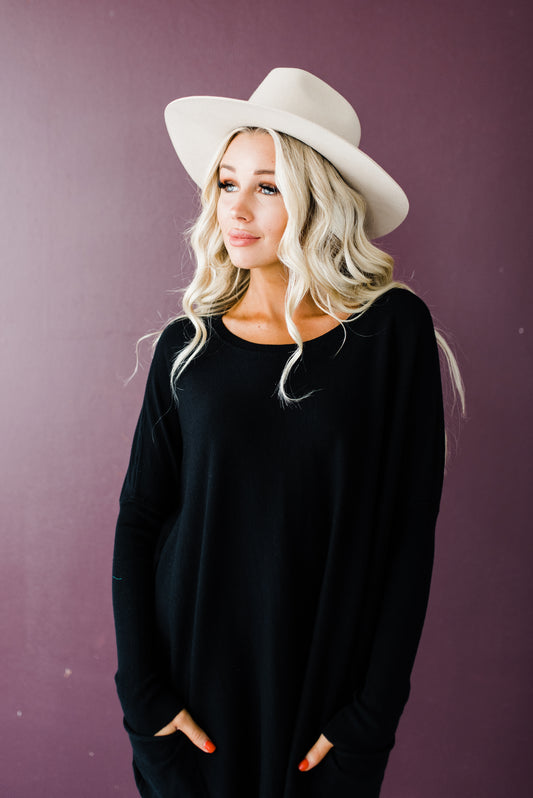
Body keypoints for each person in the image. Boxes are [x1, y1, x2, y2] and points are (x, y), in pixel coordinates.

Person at [112, 67, 464, 798]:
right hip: (188, 694)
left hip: (325, 695)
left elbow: (409, 534)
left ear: (316, 199)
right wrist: (142, 696)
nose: (236, 209)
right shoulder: (187, 347)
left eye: (268, 187)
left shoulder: (391, 334)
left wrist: (373, 713)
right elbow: (142, 517)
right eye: (227, 183)